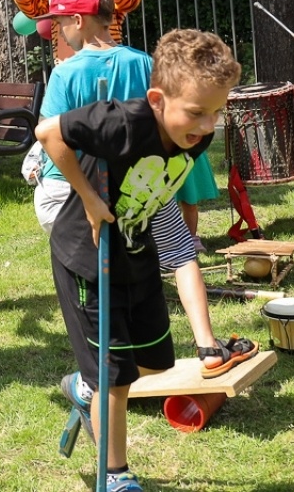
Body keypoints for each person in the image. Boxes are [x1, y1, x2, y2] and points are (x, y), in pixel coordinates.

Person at [36, 27, 243, 492]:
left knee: (154, 364)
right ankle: (115, 475)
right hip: (86, 256)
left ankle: (83, 386)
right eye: (196, 113)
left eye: (216, 113)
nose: (208, 126)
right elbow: (48, 132)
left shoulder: (194, 135)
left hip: (134, 250)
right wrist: (88, 198)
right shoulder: (123, 121)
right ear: (157, 98)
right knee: (115, 377)